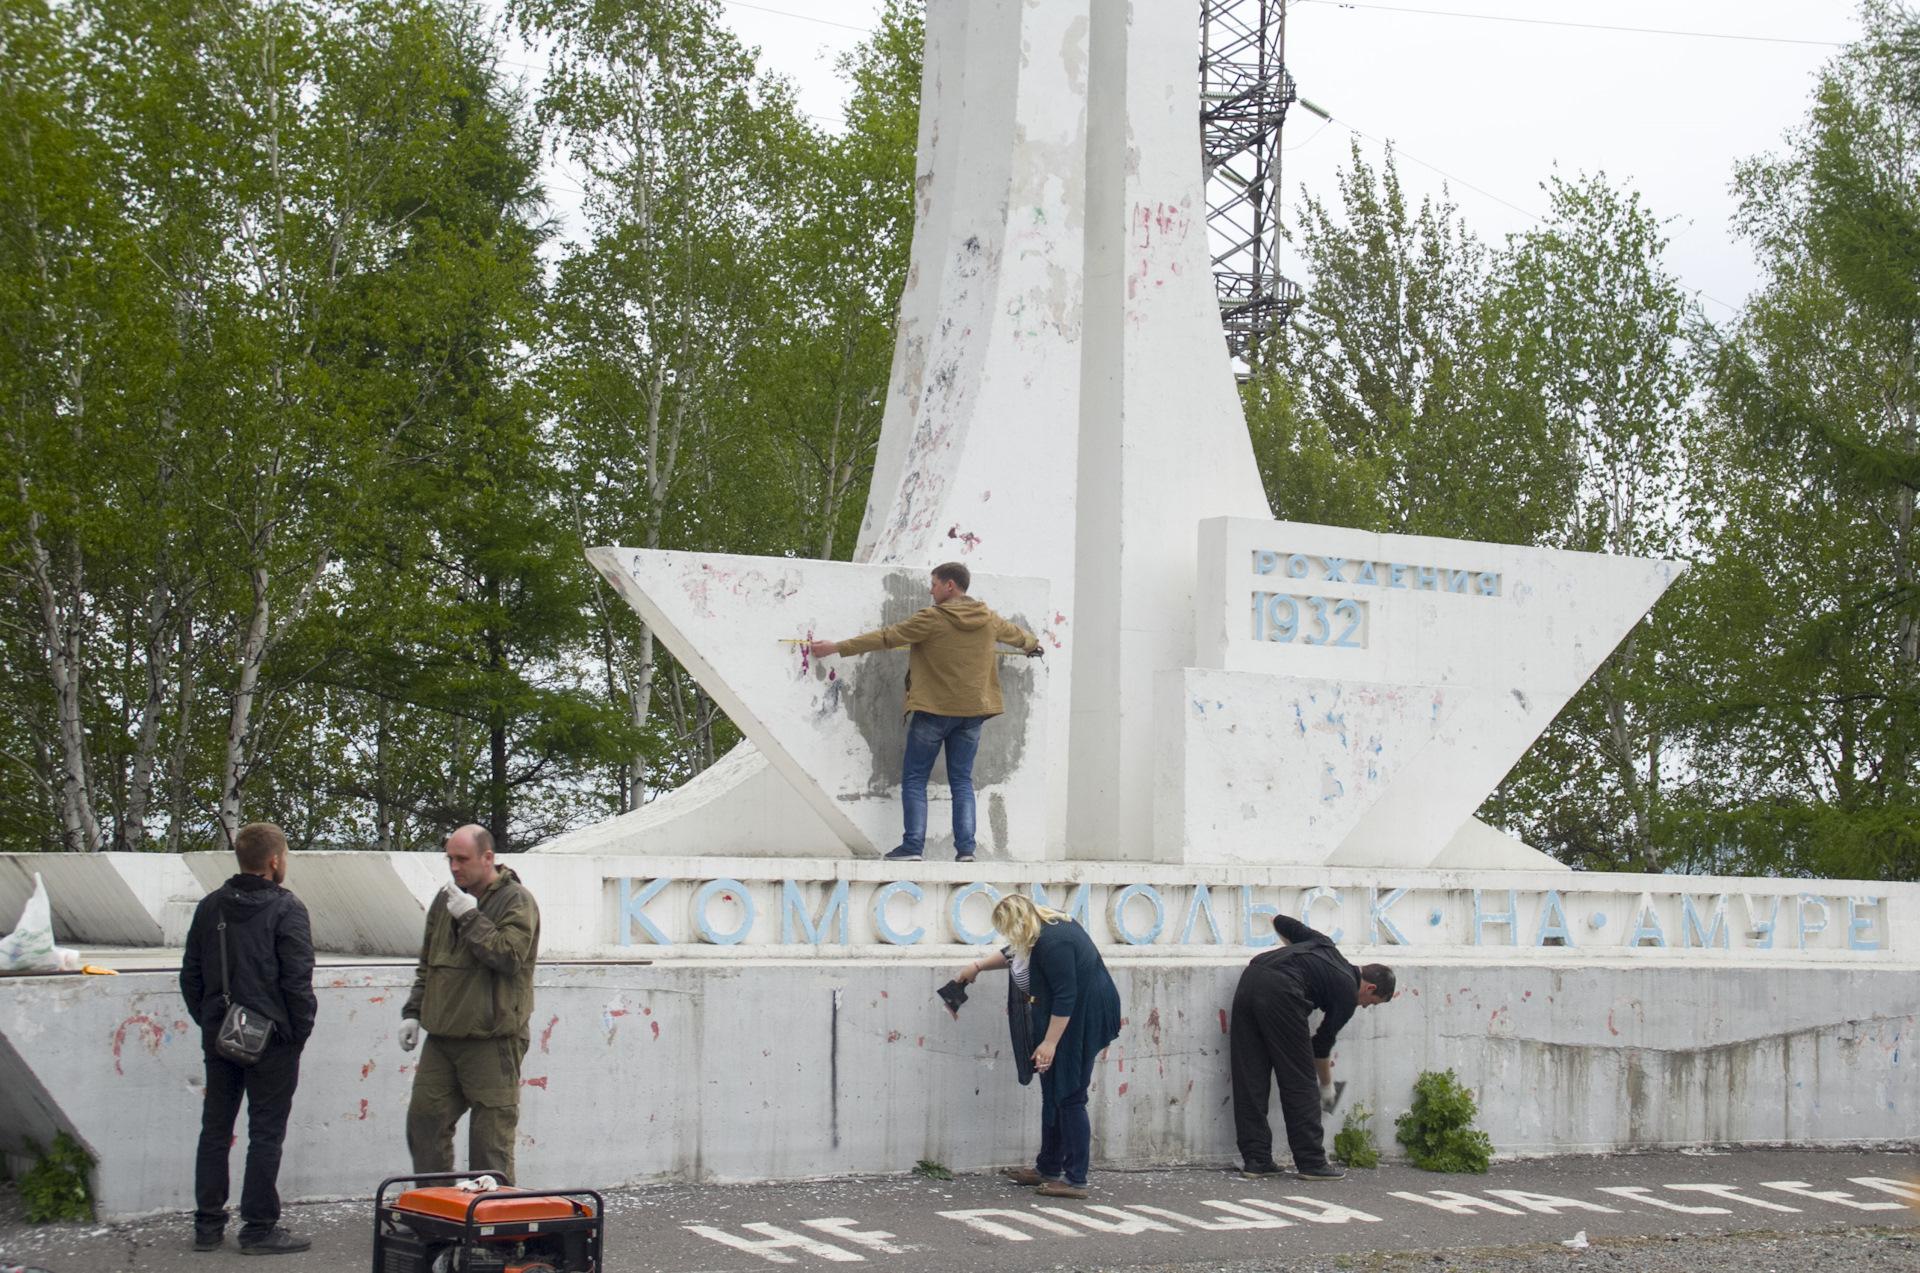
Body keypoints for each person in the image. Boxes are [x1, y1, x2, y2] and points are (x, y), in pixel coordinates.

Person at [808, 562, 1042, 863]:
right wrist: (1033, 645)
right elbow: (1017, 635)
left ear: (950, 586)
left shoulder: (932, 618)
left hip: (933, 712)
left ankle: (913, 847)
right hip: (972, 714)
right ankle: (966, 850)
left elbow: (886, 637)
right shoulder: (988, 619)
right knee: (961, 780)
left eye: (934, 584)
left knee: (916, 778)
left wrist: (836, 647)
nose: (930, 590)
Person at [179, 822, 317, 1256]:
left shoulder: (210, 907)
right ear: (274, 861)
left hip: (220, 1034)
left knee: (216, 1128)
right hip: (273, 1040)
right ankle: (258, 1229)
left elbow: (190, 976)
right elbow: (298, 981)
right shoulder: (287, 908)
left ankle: (207, 1225)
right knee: (265, 1134)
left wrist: (209, 1021)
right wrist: (297, 1034)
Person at [950, 894, 1122, 1198]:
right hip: (1069, 1012)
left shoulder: (1054, 943)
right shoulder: (1040, 924)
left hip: (1083, 1014)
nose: (1007, 937)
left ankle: (1075, 1179)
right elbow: (1015, 951)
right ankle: (1048, 1167)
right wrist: (977, 966)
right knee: (1054, 1089)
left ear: (1019, 922)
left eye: (1007, 929)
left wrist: (1050, 1043)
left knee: (1070, 1093)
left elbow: (1066, 995)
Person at [399, 824, 541, 1185]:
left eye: (462, 859)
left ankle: (492, 1229)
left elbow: (509, 956)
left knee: (489, 1142)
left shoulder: (516, 900)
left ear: (488, 858)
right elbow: (429, 962)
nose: (454, 867)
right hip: (444, 1038)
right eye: (450, 859)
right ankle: (436, 1215)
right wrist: (413, 1013)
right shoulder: (445, 898)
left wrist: (470, 916)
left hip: (492, 1041)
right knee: (424, 1124)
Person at [1231, 914, 1395, 1180]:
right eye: (1371, 1002)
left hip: (1252, 977)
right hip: (1283, 991)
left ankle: (1257, 1160)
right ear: (1371, 987)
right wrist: (1326, 1086)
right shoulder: (1346, 992)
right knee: (1299, 1080)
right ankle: (1312, 1163)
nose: (1364, 1006)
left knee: (1251, 1075)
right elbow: (1320, 1045)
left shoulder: (1324, 944)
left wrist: (1292, 956)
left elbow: (1280, 920)